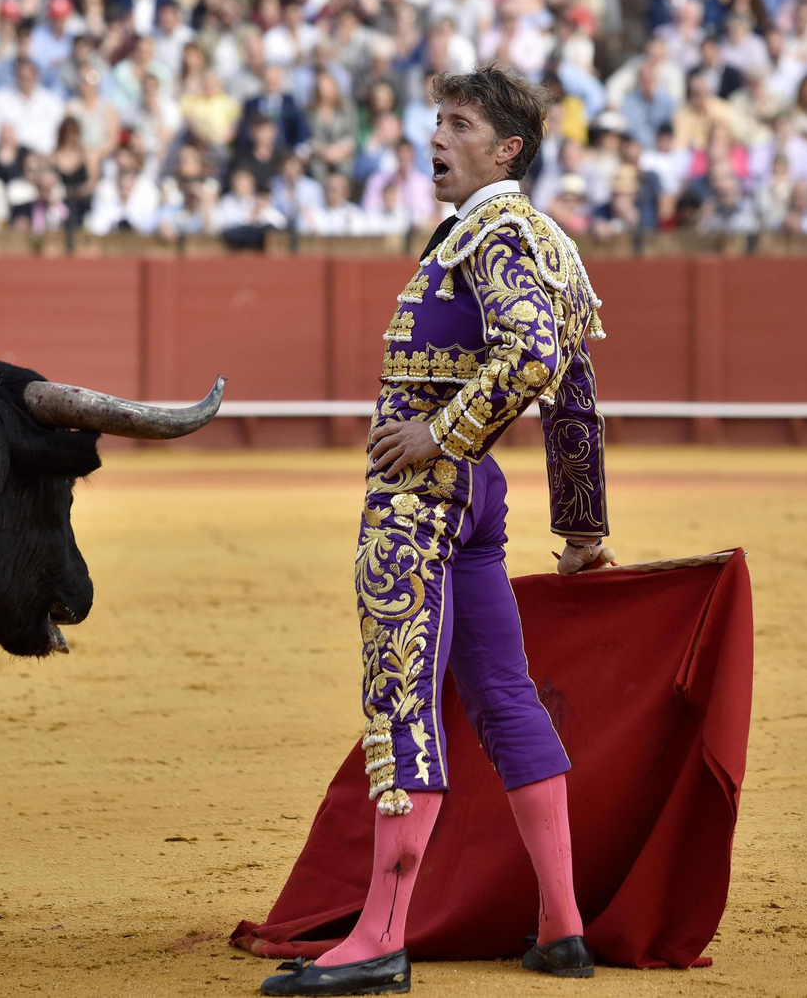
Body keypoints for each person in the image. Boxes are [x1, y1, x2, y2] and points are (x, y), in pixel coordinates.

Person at [259, 64, 608, 997]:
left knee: (400, 698)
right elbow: (572, 391)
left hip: (422, 496)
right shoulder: (549, 245)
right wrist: (580, 527)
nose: (436, 139)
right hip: (480, 499)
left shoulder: (489, 233)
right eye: (436, 121)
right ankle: (562, 925)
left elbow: (533, 352)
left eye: (457, 124)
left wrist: (438, 434)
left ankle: (379, 936)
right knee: (504, 694)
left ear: (507, 150)